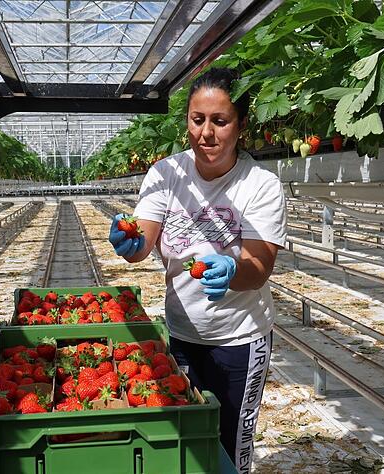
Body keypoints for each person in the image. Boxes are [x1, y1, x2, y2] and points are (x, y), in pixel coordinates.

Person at [108, 67, 287, 472]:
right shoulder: (166, 174)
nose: (207, 132)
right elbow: (144, 241)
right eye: (198, 119)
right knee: (183, 441)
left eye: (220, 121)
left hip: (239, 339)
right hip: (182, 334)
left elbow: (259, 267)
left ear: (240, 126)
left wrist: (233, 268)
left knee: (230, 441)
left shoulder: (260, 185)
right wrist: (131, 243)